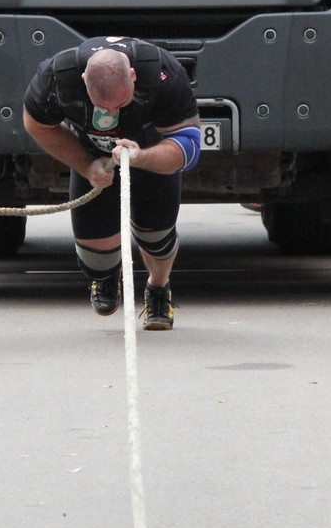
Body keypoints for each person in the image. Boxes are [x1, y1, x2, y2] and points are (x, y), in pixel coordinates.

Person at [23, 37, 200, 330]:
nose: (111, 114)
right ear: (83, 81)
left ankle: (158, 288)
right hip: (94, 159)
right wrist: (86, 165)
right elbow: (36, 124)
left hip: (150, 155)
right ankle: (106, 278)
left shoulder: (163, 73)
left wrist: (140, 157)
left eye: (120, 103)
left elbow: (190, 148)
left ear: (132, 75)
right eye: (101, 105)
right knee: (95, 260)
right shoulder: (55, 78)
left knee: (156, 239)